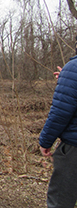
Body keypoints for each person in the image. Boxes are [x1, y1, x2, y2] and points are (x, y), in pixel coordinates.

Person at [39, 55, 77, 208]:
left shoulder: (73, 68)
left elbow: (61, 111)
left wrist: (46, 141)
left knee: (61, 200)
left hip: (74, 149)